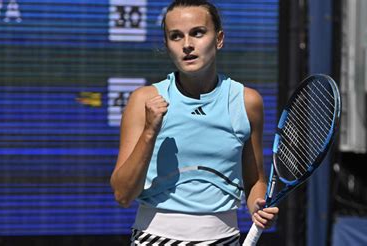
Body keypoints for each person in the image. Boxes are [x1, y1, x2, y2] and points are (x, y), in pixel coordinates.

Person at [110, 0, 279, 245]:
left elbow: (255, 181)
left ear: (219, 39)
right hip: (154, 239)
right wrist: (150, 132)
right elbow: (123, 195)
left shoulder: (247, 102)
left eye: (198, 33)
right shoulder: (144, 100)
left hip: (224, 238)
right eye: (176, 36)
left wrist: (259, 206)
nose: (187, 45)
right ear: (167, 46)